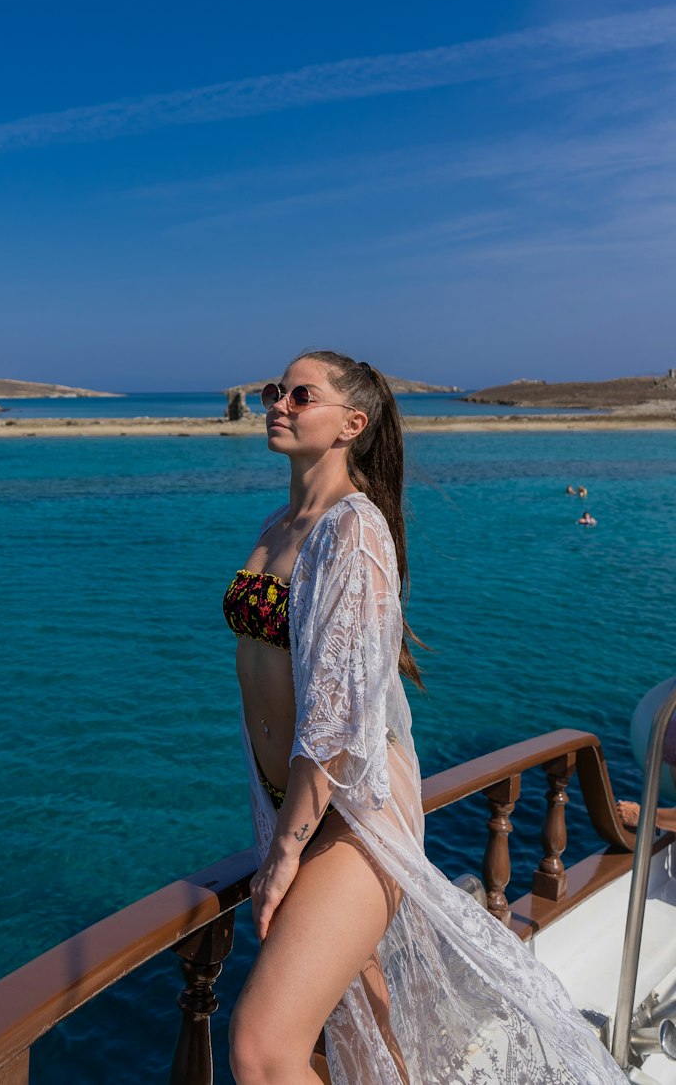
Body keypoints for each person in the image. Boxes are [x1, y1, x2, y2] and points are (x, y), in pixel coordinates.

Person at [224, 350, 627, 1085]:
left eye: (298, 394)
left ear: (353, 423)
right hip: (292, 804)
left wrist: (284, 853)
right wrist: (277, 826)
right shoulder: (276, 524)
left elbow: (338, 722)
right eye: (273, 391)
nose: (277, 403)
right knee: (360, 1034)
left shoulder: (354, 530)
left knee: (260, 1047)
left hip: (351, 810)